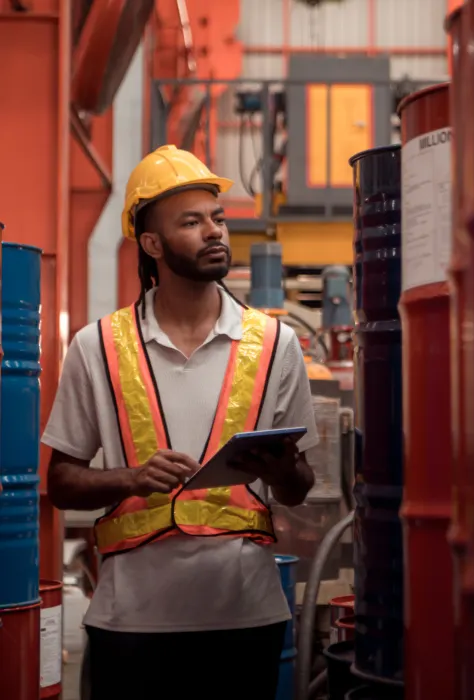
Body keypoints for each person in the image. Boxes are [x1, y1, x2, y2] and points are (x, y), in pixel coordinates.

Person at [43, 145, 318, 699]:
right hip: (132, 621)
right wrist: (131, 477)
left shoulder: (275, 344)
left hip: (246, 616)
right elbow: (61, 483)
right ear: (152, 243)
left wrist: (282, 468)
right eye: (191, 222)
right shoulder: (95, 347)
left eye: (217, 218)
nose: (214, 231)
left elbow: (298, 489)